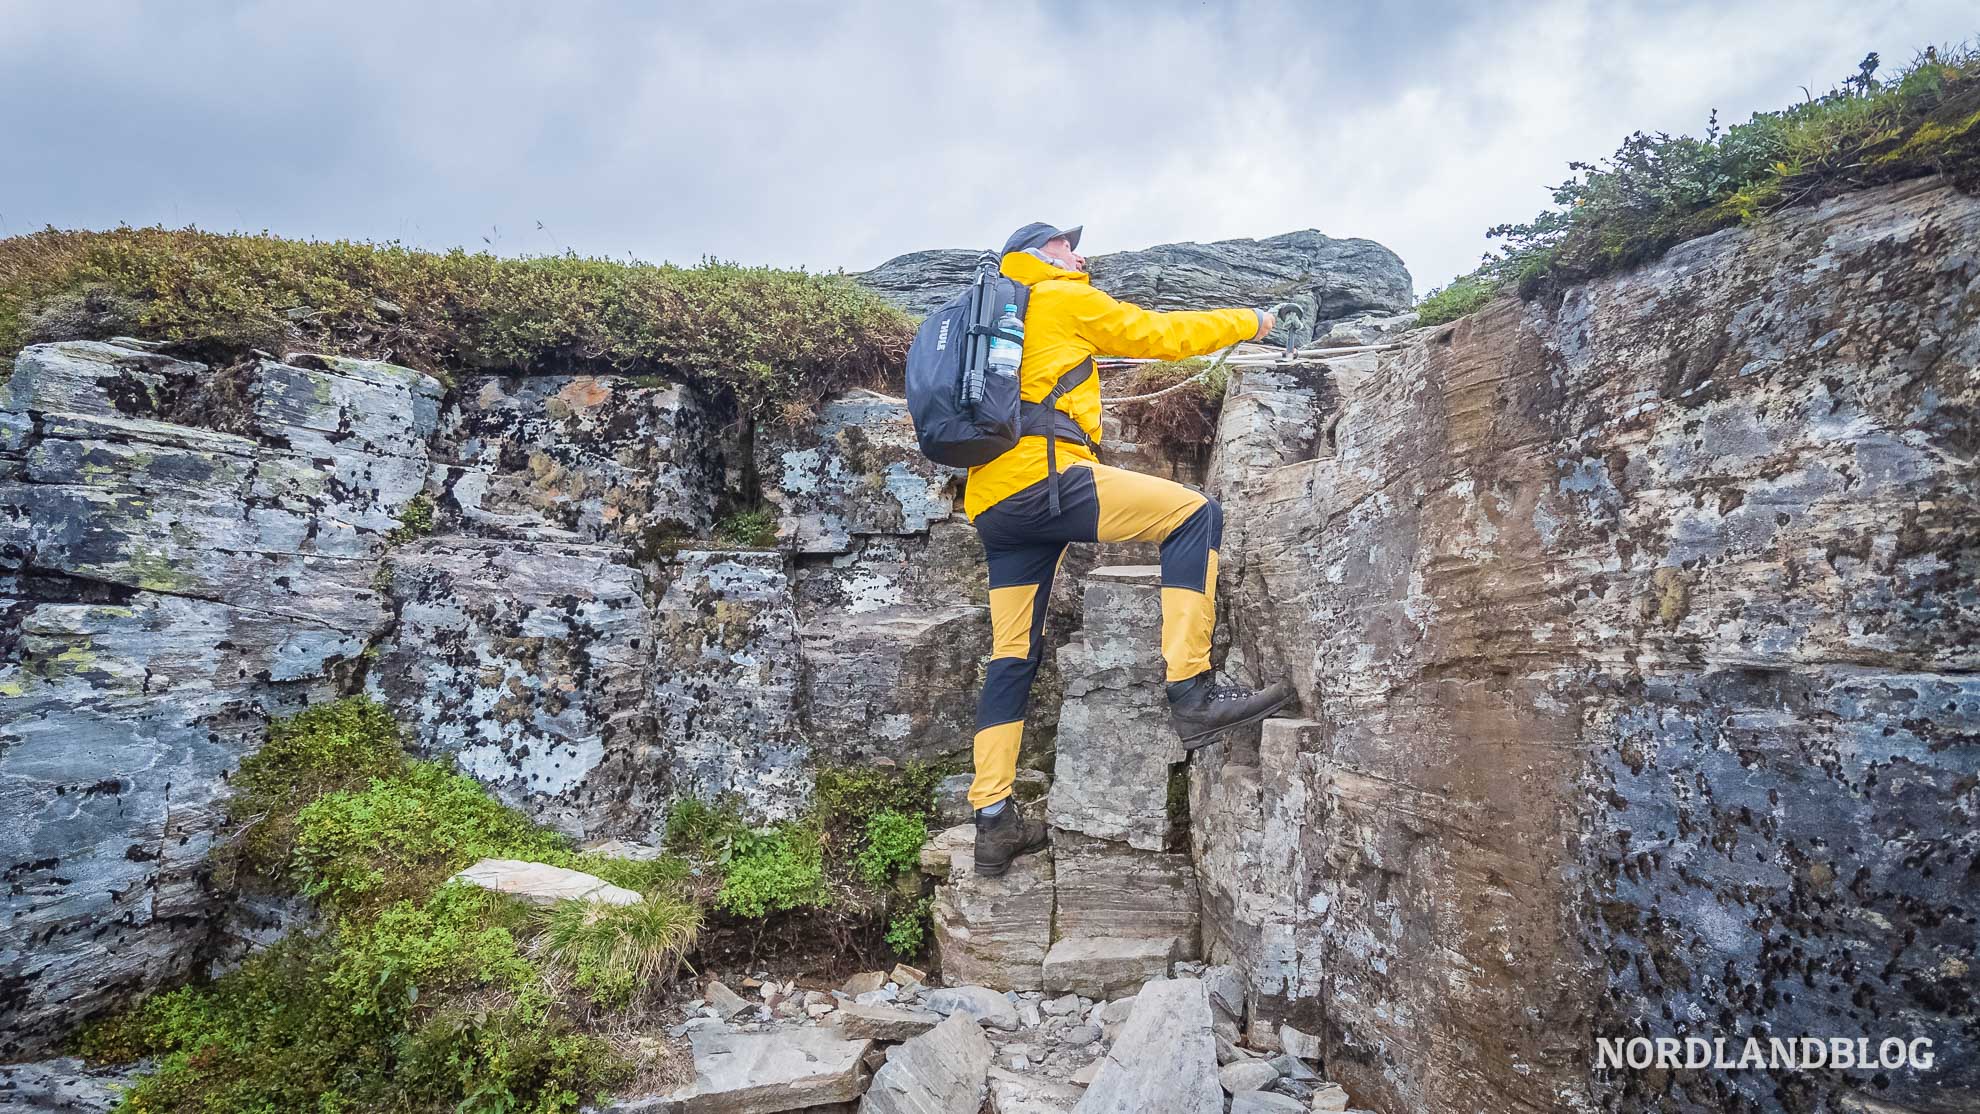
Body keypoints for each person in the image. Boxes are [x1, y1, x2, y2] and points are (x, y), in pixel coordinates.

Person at [966, 221, 1293, 876]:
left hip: (994, 503)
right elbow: (1158, 334)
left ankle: (992, 819)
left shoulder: (997, 319)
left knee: (1011, 655)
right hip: (1046, 481)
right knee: (1193, 514)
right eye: (1066, 245)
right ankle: (1193, 693)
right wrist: (1250, 322)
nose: (1078, 253)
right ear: (1037, 255)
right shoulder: (1059, 296)